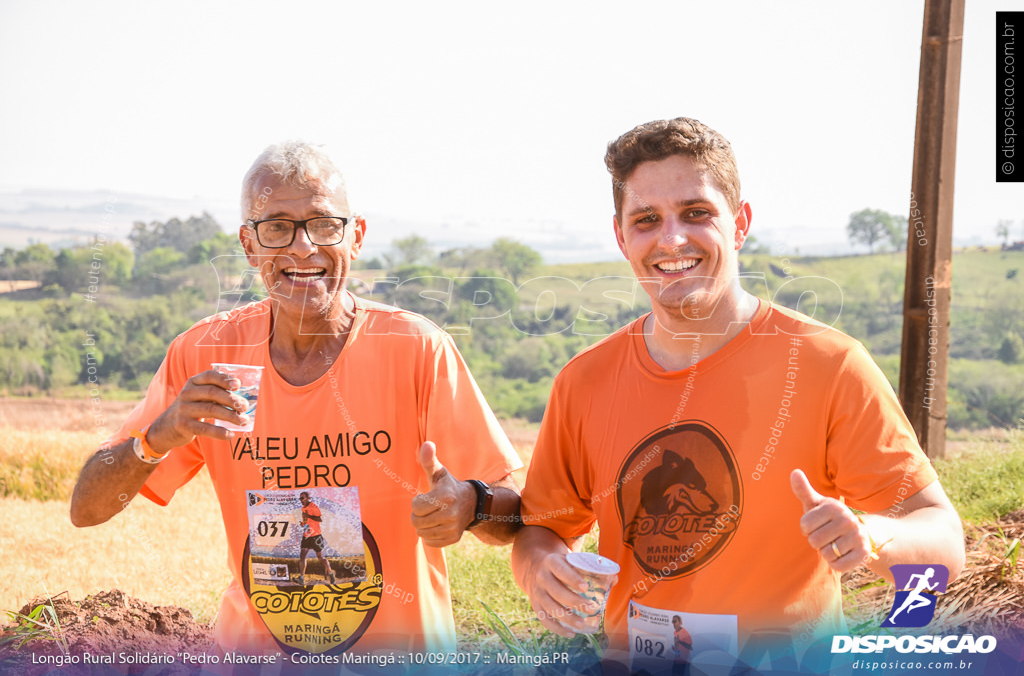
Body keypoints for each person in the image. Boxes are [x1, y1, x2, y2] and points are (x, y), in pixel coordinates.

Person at [511, 117, 965, 671]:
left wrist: (871, 535)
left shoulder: (829, 364)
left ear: (740, 222)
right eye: (647, 219)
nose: (672, 239)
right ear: (621, 236)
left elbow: (942, 539)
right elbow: (543, 528)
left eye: (696, 212)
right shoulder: (584, 382)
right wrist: (539, 569)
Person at [70, 140, 523, 657]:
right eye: (278, 227)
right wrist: (159, 435)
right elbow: (87, 509)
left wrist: (473, 504)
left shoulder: (417, 348)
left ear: (356, 237)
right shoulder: (206, 354)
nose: (303, 247)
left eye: (324, 224)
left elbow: (515, 515)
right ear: (248, 245)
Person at [297, 491, 335, 586]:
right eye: (300, 498)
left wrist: (308, 516)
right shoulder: (303, 508)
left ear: (308, 498)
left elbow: (319, 519)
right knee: (302, 556)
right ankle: (302, 577)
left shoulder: (313, 507)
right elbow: (307, 521)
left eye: (302, 498)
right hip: (306, 536)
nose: (301, 500)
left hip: (316, 536)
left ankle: (330, 573)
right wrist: (303, 524)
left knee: (320, 557)